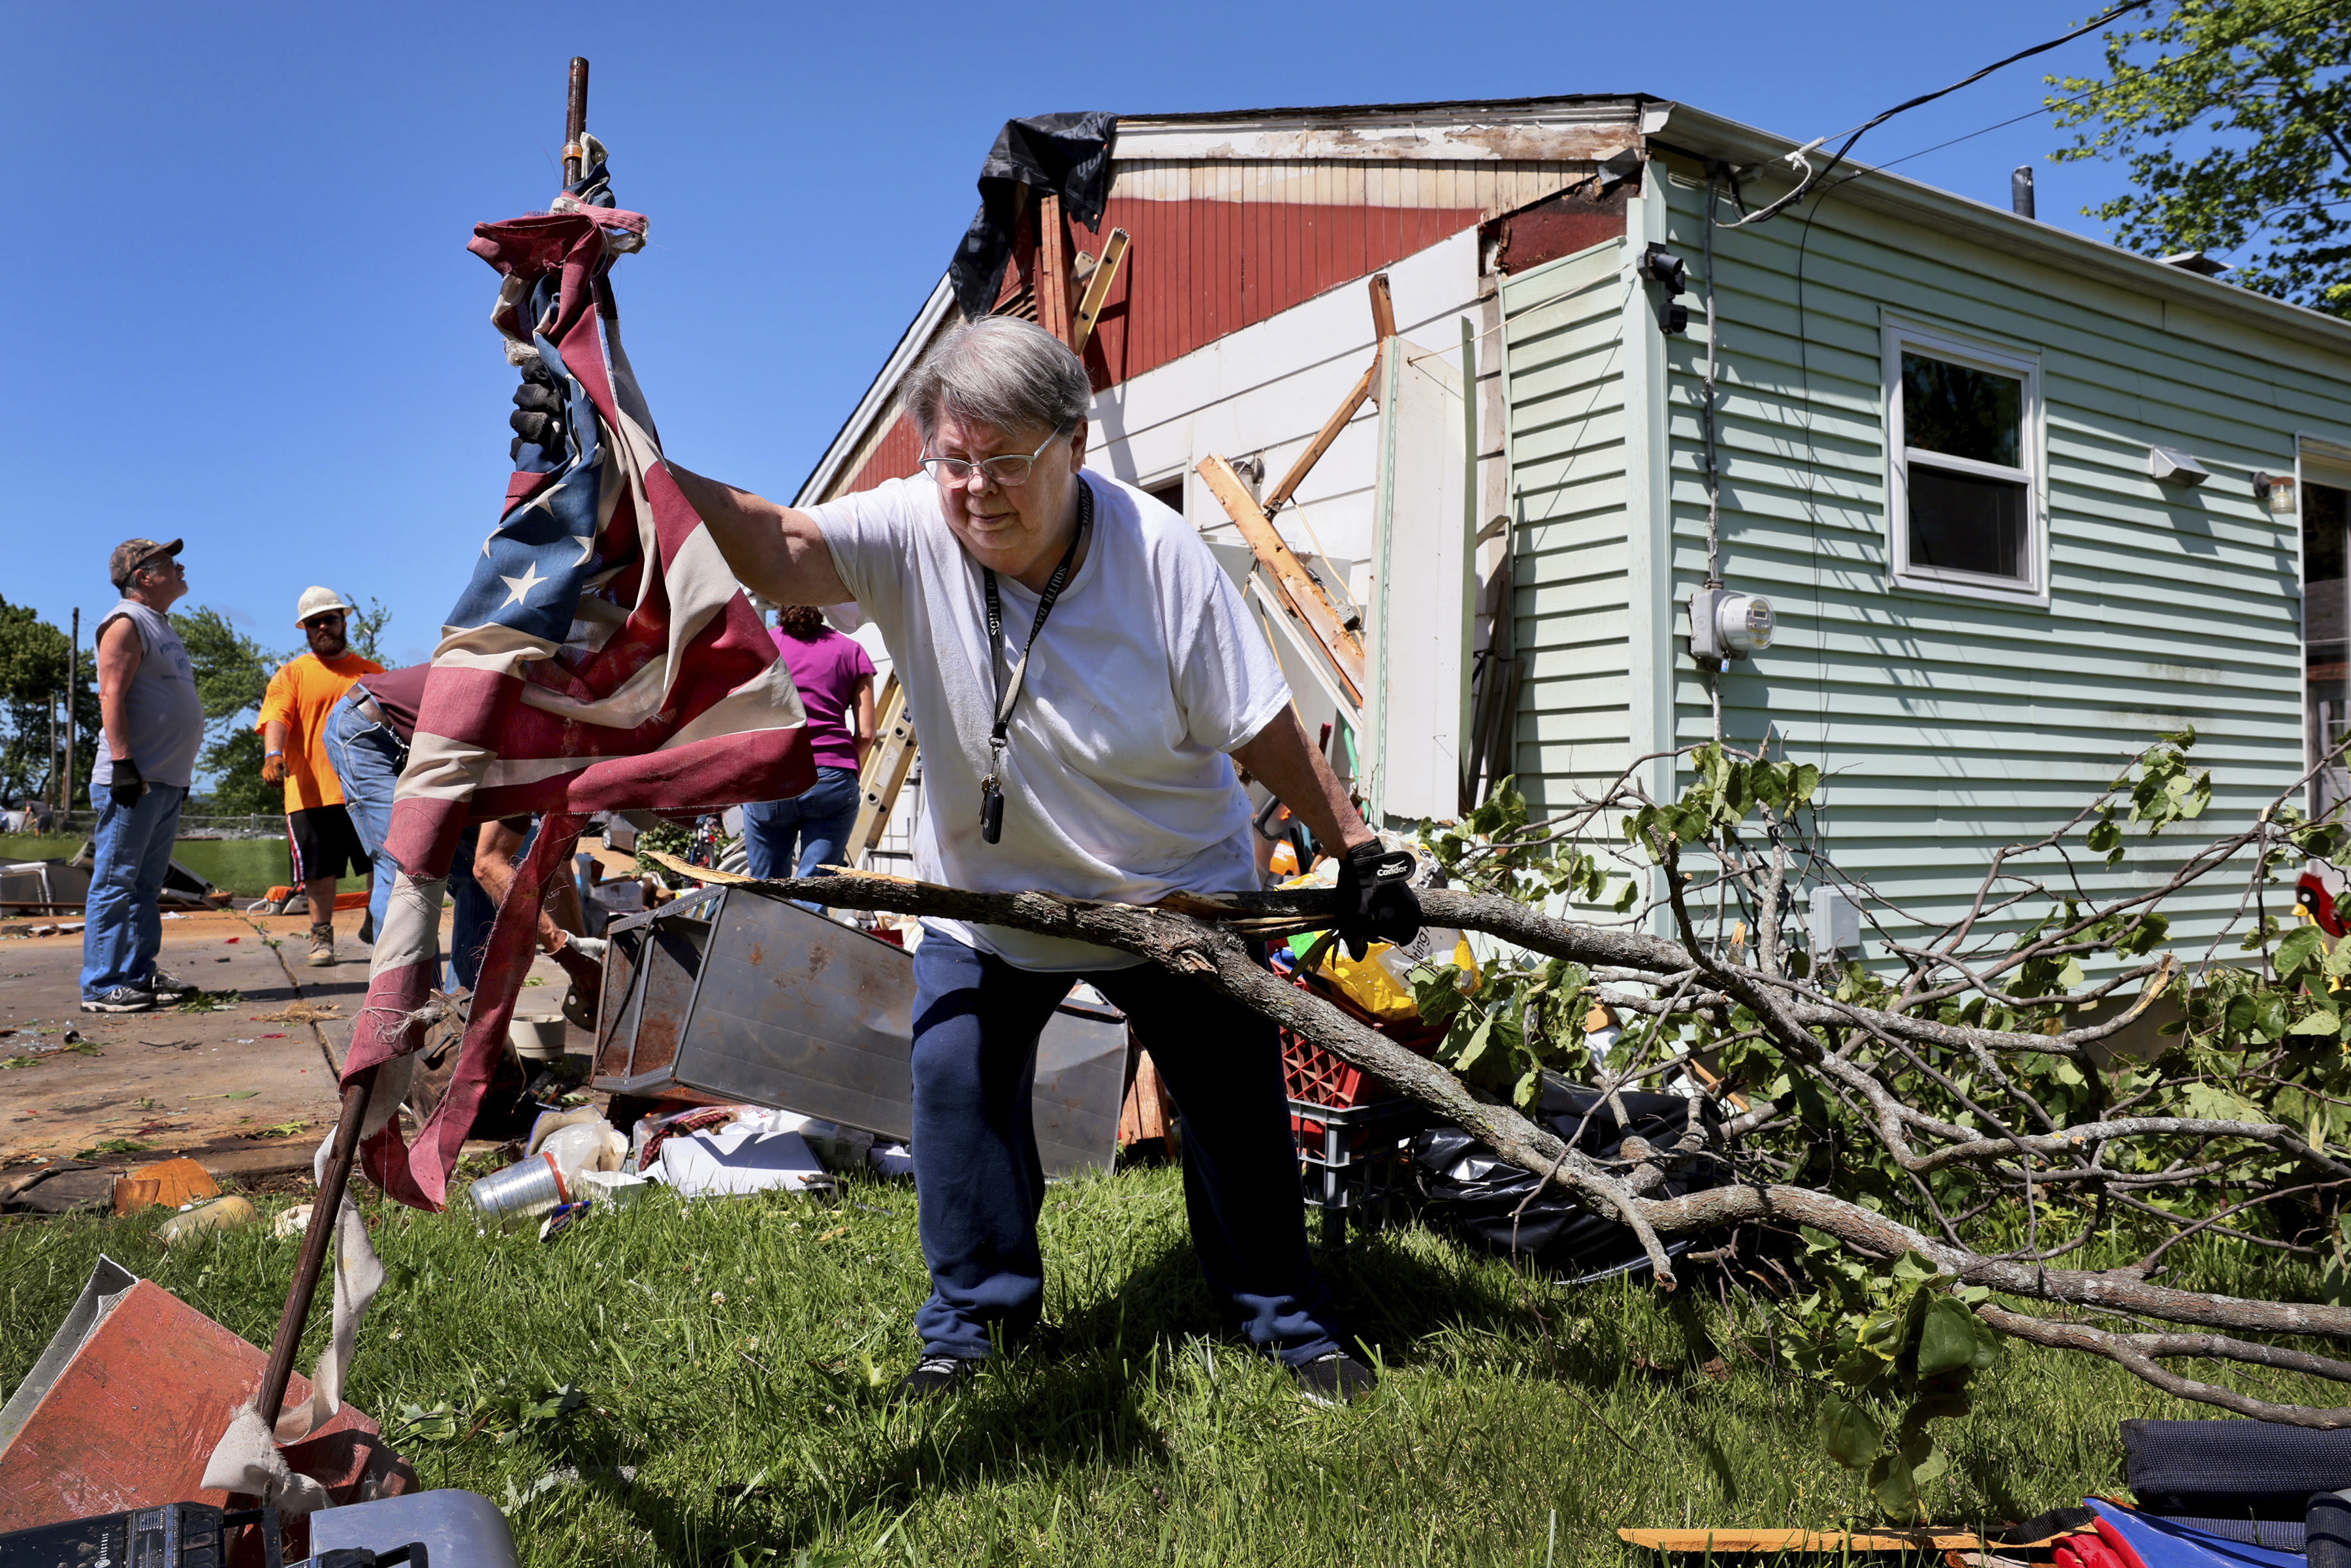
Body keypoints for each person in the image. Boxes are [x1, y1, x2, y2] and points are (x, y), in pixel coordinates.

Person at [665, 315, 1422, 1406]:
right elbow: (778, 543)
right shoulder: (915, 529)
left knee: (1231, 1109)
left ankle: (1285, 1319)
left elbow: (1262, 723)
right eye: (955, 461)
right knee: (955, 1082)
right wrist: (638, 466)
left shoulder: (1157, 557)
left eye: (1006, 461)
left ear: (1073, 444)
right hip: (991, 898)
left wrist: (1352, 846)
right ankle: (972, 1327)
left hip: (1175, 893)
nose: (976, 489)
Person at [323, 665, 602, 1010]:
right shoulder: (527, 738)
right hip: (371, 730)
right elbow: (492, 866)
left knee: (476, 875)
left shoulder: (566, 756)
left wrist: (583, 951)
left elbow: (555, 865)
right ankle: (408, 1016)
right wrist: (563, 949)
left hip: (433, 746)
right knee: (406, 866)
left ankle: (458, 1009)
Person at [80, 538, 205, 1013]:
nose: (179, 567)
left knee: (146, 886)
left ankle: (137, 973)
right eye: (169, 563)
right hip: (135, 779)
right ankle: (102, 983)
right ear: (143, 576)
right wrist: (123, 764)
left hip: (166, 780)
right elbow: (111, 694)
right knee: (115, 881)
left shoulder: (161, 626)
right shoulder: (125, 624)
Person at [257, 588, 383, 967]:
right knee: (319, 871)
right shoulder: (292, 673)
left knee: (381, 861)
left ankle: (378, 926)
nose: (323, 627)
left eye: (329, 619)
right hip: (310, 791)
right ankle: (321, 938)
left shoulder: (372, 674)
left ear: (344, 622)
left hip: (365, 788)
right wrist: (273, 753)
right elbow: (277, 717)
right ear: (306, 630)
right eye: (314, 623)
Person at [742, 604, 876, 880]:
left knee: (766, 893)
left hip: (772, 776)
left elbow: (741, 717)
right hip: (832, 780)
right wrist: (838, 764)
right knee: (815, 894)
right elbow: (866, 734)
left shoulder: (762, 647)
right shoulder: (851, 651)